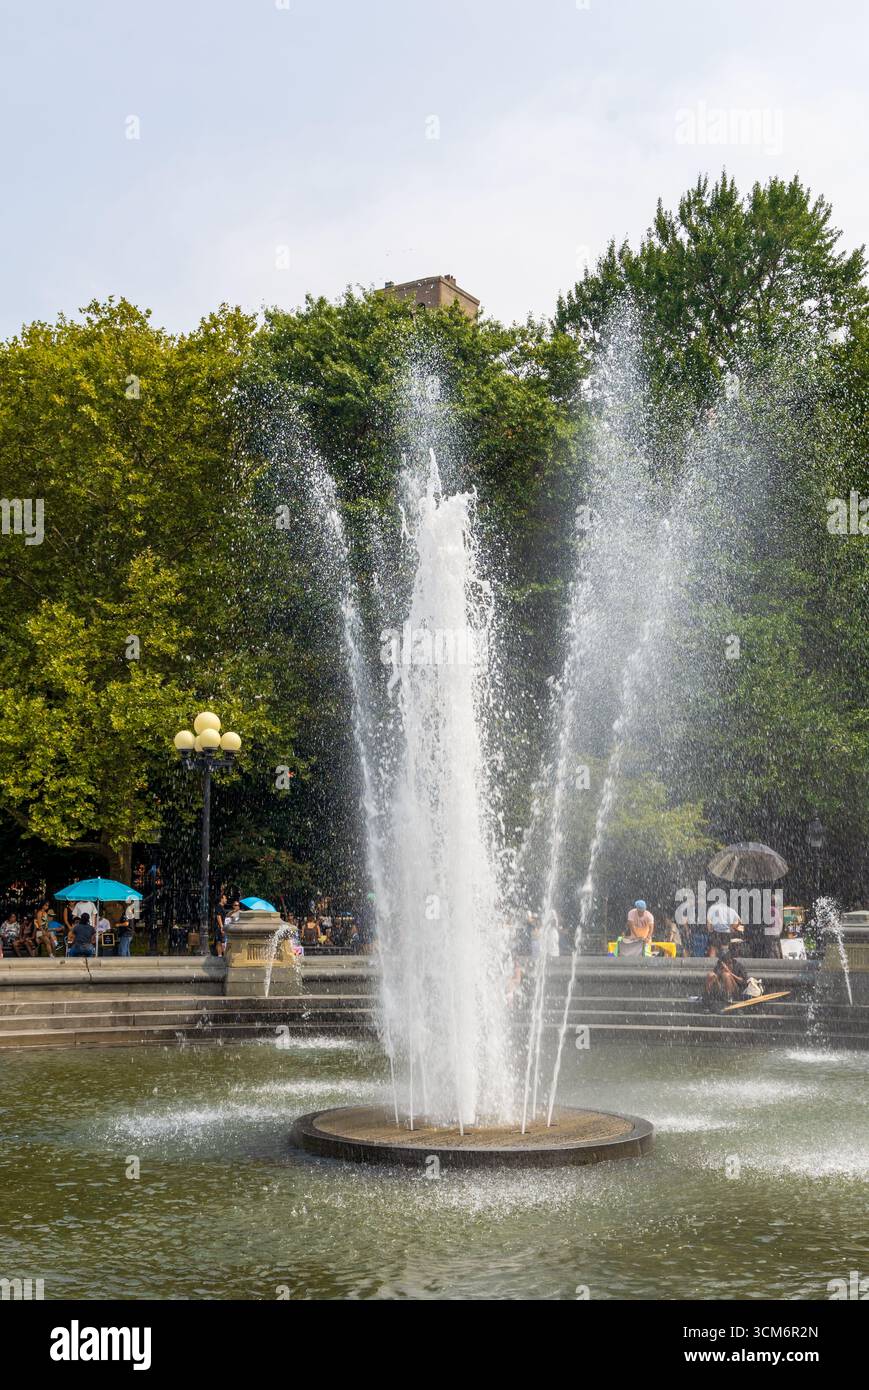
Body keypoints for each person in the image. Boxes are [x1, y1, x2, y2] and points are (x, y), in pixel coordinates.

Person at [703, 942, 749, 1011]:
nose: (725, 963)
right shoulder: (719, 965)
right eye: (723, 961)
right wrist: (719, 973)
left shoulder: (738, 965)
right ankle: (707, 999)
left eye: (727, 961)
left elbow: (743, 981)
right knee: (710, 974)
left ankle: (728, 1000)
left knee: (726, 975)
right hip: (721, 989)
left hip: (735, 992)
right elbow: (714, 978)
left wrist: (729, 972)